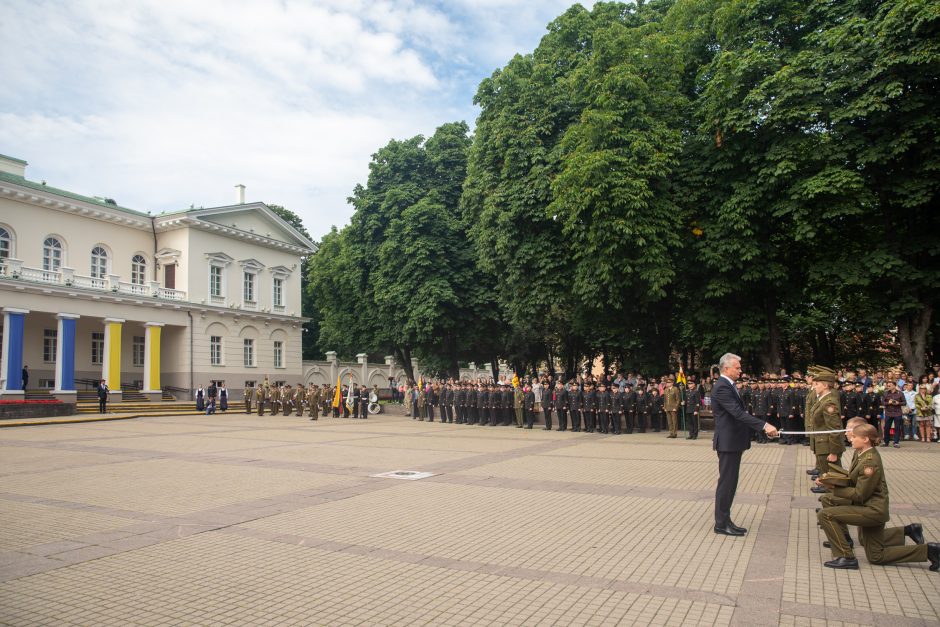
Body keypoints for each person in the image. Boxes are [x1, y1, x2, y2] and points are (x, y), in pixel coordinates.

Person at [817, 424, 940, 570]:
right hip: (871, 507)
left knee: (826, 515)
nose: (851, 438)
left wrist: (833, 488)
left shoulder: (869, 461)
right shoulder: (863, 454)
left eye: (855, 436)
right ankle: (929, 551)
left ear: (865, 439)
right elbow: (853, 479)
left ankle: (846, 556)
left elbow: (860, 494)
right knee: (876, 556)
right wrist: (830, 479)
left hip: (872, 510)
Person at [712, 353, 778, 536]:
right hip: (728, 443)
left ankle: (725, 520)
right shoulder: (722, 387)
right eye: (737, 367)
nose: (741, 371)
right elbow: (737, 413)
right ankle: (721, 523)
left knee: (730, 483)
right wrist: (764, 425)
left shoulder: (728, 385)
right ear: (726, 368)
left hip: (733, 442)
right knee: (727, 484)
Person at [808, 367, 844, 494]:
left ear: (824, 385)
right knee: (826, 475)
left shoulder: (829, 403)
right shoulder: (822, 400)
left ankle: (832, 506)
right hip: (822, 444)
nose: (814, 386)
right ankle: (828, 504)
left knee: (831, 477)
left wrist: (834, 452)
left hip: (827, 446)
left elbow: (834, 429)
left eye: (817, 384)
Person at [882, 380, 905, 448]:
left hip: (897, 412)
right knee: (886, 427)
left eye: (890, 385)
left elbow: (904, 402)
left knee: (897, 427)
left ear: (894, 386)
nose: (888, 386)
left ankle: (896, 442)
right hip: (888, 412)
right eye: (888, 385)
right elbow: (882, 402)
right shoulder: (885, 393)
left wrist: (898, 403)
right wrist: (888, 403)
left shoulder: (900, 393)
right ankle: (886, 442)